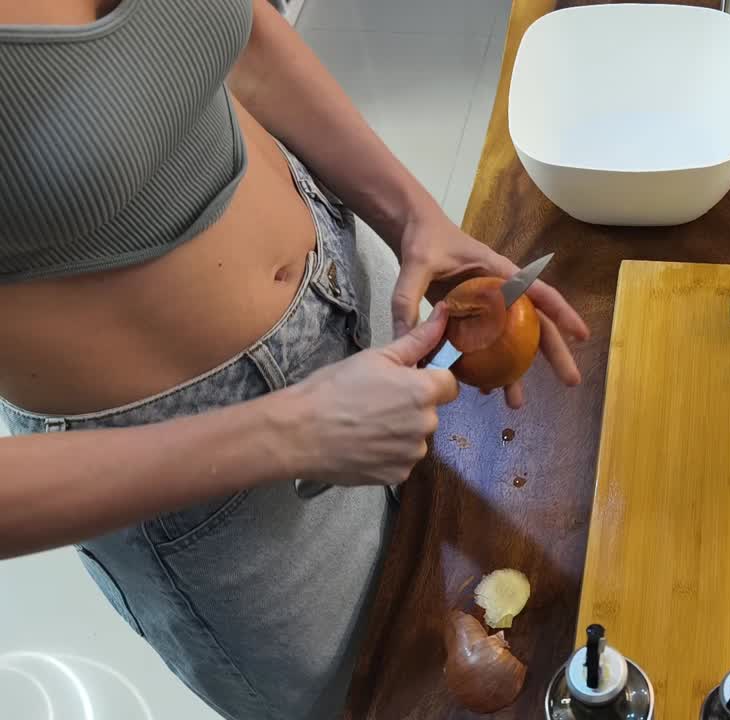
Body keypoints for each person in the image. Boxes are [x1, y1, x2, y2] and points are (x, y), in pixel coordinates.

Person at [0, 1, 589, 718]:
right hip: (208, 479)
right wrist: (290, 433)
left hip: (358, 291)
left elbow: (233, 35)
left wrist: (409, 217)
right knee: (391, 696)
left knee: (477, 605)